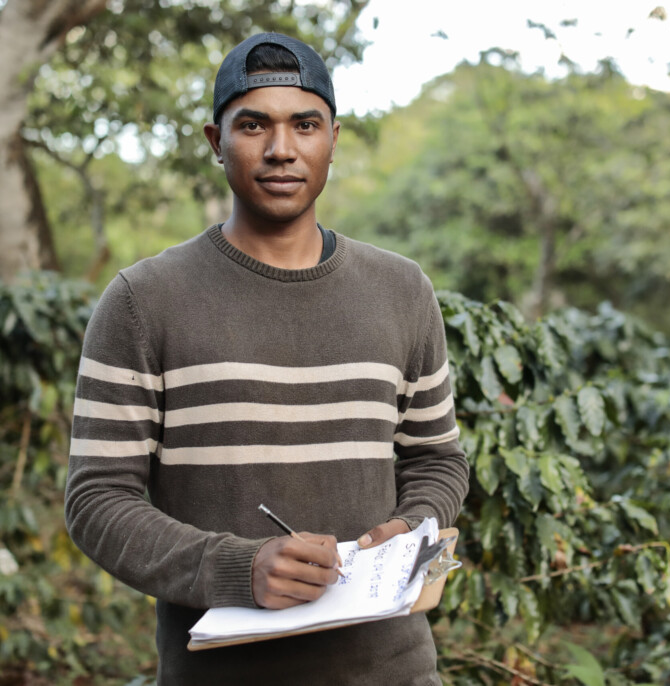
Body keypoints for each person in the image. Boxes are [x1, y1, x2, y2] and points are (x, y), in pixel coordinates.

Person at [65, 32, 469, 685]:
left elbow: (436, 459)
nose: (282, 149)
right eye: (253, 125)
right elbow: (96, 501)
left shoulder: (402, 290)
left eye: (304, 125)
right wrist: (236, 568)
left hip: (393, 670)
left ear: (333, 138)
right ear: (214, 140)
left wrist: (411, 525)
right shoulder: (143, 301)